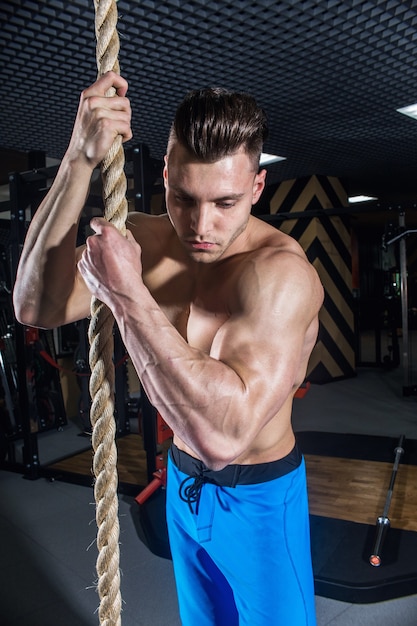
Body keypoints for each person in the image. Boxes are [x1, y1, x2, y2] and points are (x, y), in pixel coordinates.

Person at [13, 71, 324, 625]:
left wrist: (128, 294)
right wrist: (79, 160)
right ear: (166, 176)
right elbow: (34, 304)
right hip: (183, 485)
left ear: (256, 188)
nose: (201, 225)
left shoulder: (278, 278)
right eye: (183, 198)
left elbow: (223, 437)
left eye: (226, 202)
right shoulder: (148, 240)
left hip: (258, 498)